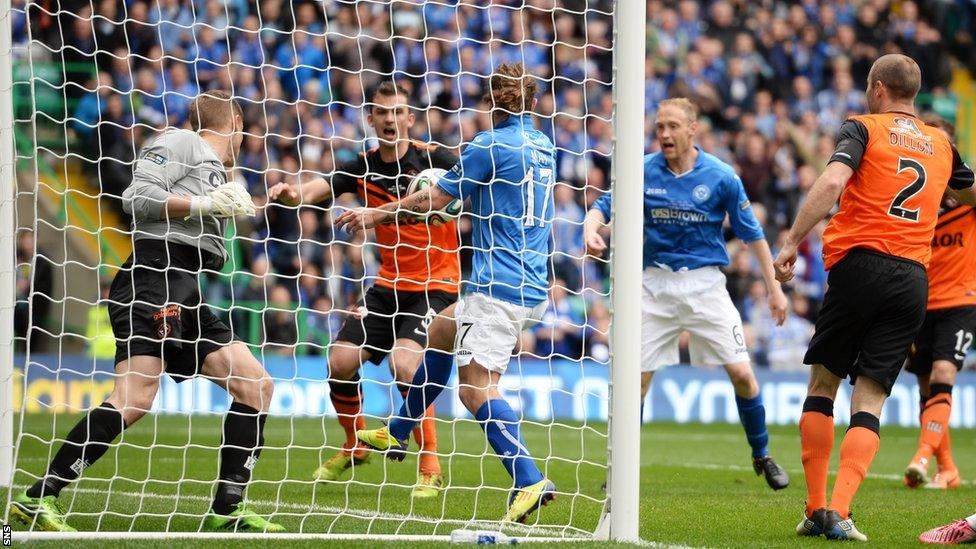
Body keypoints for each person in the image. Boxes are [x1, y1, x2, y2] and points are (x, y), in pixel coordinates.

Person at [8, 91, 284, 533]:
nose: (244, 137)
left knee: (255, 385)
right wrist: (204, 205)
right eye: (243, 126)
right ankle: (37, 498)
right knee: (134, 400)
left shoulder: (216, 169)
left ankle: (226, 512)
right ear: (234, 118)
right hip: (153, 277)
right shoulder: (179, 140)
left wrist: (268, 201)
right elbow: (138, 196)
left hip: (187, 286)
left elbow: (209, 212)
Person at [338, 63, 557, 524]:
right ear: (534, 103)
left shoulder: (489, 145)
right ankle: (399, 430)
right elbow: (488, 195)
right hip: (532, 278)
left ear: (491, 104)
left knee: (476, 390)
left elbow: (433, 199)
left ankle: (529, 478)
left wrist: (379, 215)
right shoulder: (543, 145)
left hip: (499, 283)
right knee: (440, 330)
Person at [775, 54, 976, 541]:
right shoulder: (942, 145)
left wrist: (790, 241)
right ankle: (841, 513)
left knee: (823, 384)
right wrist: (947, 197)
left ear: (879, 88)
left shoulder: (862, 127)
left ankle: (816, 507)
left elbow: (831, 181)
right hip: (912, 280)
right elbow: (970, 194)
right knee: (872, 396)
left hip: (860, 264)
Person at [582, 97, 790, 491]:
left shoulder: (722, 176)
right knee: (635, 382)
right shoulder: (641, 170)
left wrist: (775, 290)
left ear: (693, 129)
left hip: (706, 285)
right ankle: (619, 472)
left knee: (744, 376)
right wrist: (591, 228)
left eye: (672, 126)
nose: (663, 134)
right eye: (659, 126)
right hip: (653, 286)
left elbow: (753, 236)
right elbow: (602, 207)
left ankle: (761, 454)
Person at [267, 81, 459, 498]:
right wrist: (292, 194)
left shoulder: (437, 160)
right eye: (382, 112)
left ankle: (430, 465)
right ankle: (354, 445)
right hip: (388, 285)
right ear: (371, 118)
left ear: (410, 117)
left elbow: (473, 189)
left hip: (437, 286)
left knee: (406, 365)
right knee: (339, 360)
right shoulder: (362, 165)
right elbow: (319, 187)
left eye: (398, 112)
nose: (390, 120)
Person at [903, 117, 972, 491]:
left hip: (961, 301)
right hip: (919, 301)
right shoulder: (915, 198)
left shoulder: (969, 197)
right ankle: (947, 469)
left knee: (945, 375)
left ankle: (921, 457)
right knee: (926, 388)